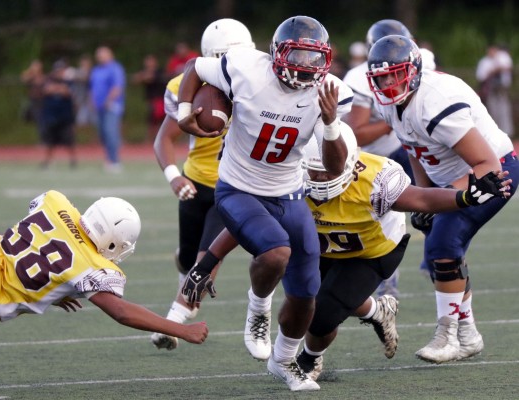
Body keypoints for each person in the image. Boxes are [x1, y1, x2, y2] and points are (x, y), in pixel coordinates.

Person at [180, 123, 511, 382]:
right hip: (319, 248)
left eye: (328, 171)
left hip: (372, 251)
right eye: (315, 171)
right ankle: (376, 311)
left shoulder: (377, 179)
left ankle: (310, 357)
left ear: (350, 164)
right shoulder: (289, 179)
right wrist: (208, 261)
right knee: (296, 305)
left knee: (321, 316)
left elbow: (422, 199)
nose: (321, 179)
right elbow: (247, 221)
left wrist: (466, 198)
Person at [177, 15, 352, 391]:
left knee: (307, 293)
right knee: (275, 254)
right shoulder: (245, 68)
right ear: (277, 54)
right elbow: (195, 67)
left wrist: (331, 122)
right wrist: (182, 112)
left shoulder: (328, 91)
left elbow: (336, 167)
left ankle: (284, 361)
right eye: (299, 56)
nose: (307, 67)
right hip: (238, 187)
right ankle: (258, 309)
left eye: (314, 58)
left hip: (289, 192)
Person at [0, 190, 209, 348]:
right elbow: (121, 312)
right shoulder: (94, 266)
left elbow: (41, 245)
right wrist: (181, 328)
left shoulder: (56, 202)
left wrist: (54, 283)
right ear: (115, 244)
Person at [366, 35, 519, 364]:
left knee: (441, 247)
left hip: (492, 173)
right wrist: (424, 195)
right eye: (383, 77)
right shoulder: (391, 104)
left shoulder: (435, 103)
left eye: (396, 73)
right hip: (451, 178)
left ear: (414, 71)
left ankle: (448, 334)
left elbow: (488, 164)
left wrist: (454, 196)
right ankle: (468, 335)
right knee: (443, 251)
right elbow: (413, 147)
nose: (390, 83)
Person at [149, 18, 255, 351]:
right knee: (187, 259)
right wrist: (174, 176)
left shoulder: (260, 85)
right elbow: (164, 139)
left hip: (236, 185)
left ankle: (172, 322)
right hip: (196, 182)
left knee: (207, 260)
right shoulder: (185, 84)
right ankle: (184, 292)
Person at [341, 19, 434, 298]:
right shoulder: (358, 78)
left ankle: (437, 253)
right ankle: (383, 280)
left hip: (401, 148)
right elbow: (357, 134)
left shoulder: (420, 63)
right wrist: (397, 118)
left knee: (432, 200)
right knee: (378, 219)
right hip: (367, 158)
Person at [89, 46, 126, 173]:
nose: (100, 57)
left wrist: (108, 100)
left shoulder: (115, 68)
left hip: (111, 106)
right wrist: (92, 101)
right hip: (99, 107)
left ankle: (115, 160)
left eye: (102, 54)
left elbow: (117, 87)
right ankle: (108, 159)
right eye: (98, 55)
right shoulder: (96, 70)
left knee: (111, 132)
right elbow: (92, 87)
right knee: (103, 134)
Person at [39, 59, 77, 168]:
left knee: (69, 140)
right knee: (49, 141)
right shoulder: (48, 80)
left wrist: (57, 89)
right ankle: (48, 160)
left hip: (65, 116)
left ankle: (73, 160)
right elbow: (45, 91)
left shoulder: (69, 82)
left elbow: (68, 93)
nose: (59, 73)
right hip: (51, 116)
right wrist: (59, 89)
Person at [476, 44, 514, 137]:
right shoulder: (484, 62)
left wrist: (498, 69)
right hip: (490, 89)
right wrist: (491, 72)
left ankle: (507, 133)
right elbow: (480, 76)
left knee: (504, 110)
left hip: (502, 88)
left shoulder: (503, 57)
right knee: (493, 111)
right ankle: (495, 132)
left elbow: (509, 68)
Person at [132, 54, 167, 142]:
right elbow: (135, 79)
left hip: (161, 100)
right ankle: (151, 140)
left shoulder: (160, 72)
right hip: (152, 101)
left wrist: (143, 76)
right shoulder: (145, 72)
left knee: (161, 121)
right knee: (152, 121)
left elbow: (149, 78)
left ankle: (160, 139)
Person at [20, 59, 47, 143]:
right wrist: (31, 70)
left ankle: (46, 139)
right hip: (34, 101)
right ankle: (42, 140)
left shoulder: (43, 77)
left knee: (44, 120)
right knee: (39, 120)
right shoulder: (30, 77)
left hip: (44, 101)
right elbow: (23, 78)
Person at [70, 54, 96, 130]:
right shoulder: (76, 73)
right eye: (83, 63)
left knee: (95, 123)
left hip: (93, 103)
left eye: (87, 63)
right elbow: (74, 89)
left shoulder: (95, 73)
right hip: (81, 102)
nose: (85, 65)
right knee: (81, 122)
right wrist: (75, 101)